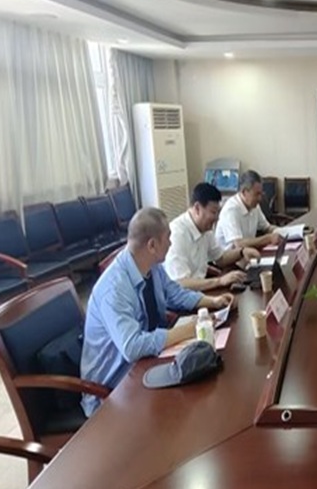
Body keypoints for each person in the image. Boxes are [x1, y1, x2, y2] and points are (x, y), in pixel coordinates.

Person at [81, 207, 233, 417]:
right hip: (114, 389)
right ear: (152, 245)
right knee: (190, 410)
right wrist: (186, 331)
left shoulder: (150, 265)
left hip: (149, 363)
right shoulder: (114, 290)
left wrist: (213, 301)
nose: (171, 243)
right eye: (168, 237)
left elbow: (174, 293)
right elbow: (132, 347)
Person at [165, 182, 258, 291]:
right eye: (213, 212)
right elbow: (181, 283)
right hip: (184, 296)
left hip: (200, 290)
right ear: (197, 208)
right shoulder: (177, 234)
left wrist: (242, 252)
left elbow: (220, 258)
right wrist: (219, 281)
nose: (216, 218)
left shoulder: (205, 229)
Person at [215, 169, 283, 250]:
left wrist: (283, 232)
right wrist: (268, 239)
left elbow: (267, 228)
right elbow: (239, 244)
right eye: (257, 194)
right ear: (244, 192)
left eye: (261, 193)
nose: (260, 198)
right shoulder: (231, 210)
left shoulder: (254, 206)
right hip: (230, 256)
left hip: (248, 252)